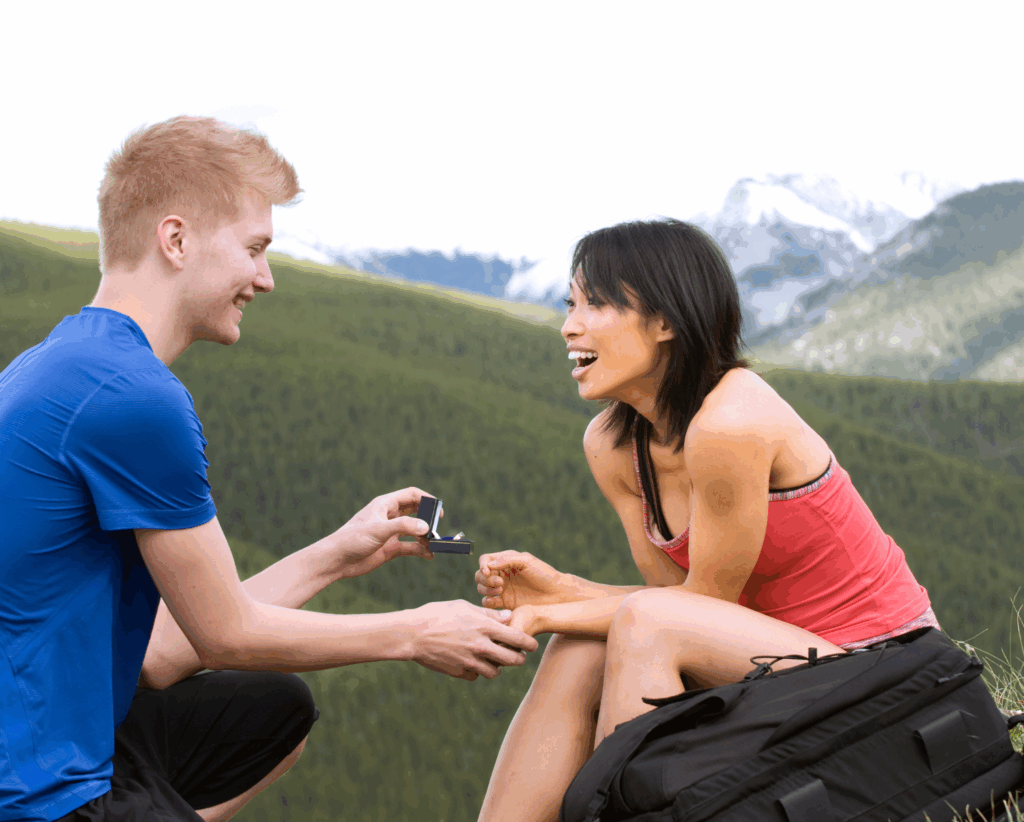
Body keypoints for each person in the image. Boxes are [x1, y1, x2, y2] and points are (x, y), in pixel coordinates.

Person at [0, 116, 537, 822]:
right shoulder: (133, 397)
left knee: (275, 709)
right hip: (38, 787)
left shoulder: (61, 362)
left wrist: (336, 556)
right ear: (176, 239)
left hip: (65, 727)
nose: (267, 277)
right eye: (254, 248)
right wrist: (416, 631)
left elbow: (166, 652)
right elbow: (226, 637)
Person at [473, 219, 936, 822]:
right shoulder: (614, 447)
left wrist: (553, 603)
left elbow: (691, 611)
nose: (570, 325)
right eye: (571, 304)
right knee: (579, 646)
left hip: (882, 662)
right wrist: (562, 595)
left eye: (599, 303)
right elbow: (682, 603)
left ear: (666, 322)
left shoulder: (730, 421)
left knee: (641, 623)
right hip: (772, 657)